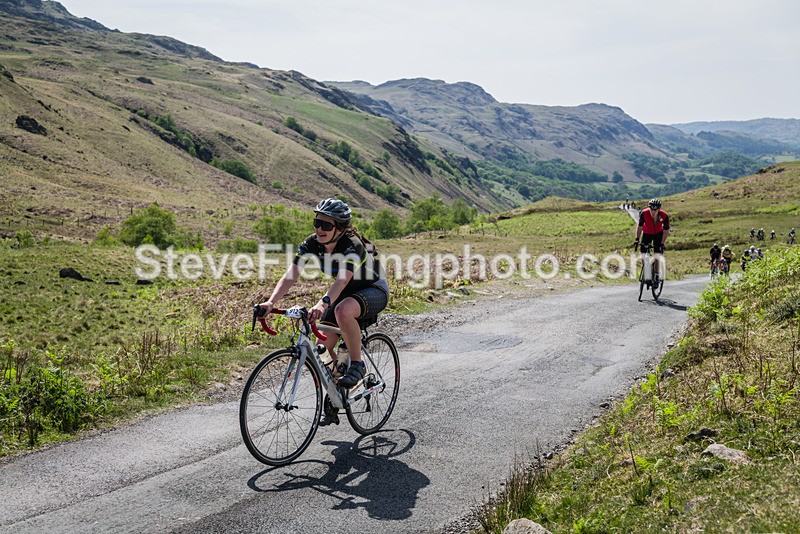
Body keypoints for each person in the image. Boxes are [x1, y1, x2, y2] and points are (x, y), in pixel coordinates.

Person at [257, 198, 390, 402]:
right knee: (321, 350)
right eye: (317, 223)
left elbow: (342, 279)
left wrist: (322, 304)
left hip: (373, 289)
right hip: (344, 295)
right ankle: (338, 392)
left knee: (343, 310)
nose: (319, 229)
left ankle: (357, 364)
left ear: (340, 228)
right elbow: (291, 276)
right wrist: (271, 302)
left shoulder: (352, 245)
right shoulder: (312, 243)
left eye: (326, 225)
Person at [634, 198, 670, 284]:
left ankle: (657, 275)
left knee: (657, 255)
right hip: (647, 233)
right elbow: (639, 227)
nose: (653, 211)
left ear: (658, 209)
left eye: (655, 209)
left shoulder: (664, 216)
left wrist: (662, 243)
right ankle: (646, 271)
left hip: (658, 234)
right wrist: (637, 239)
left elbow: (666, 230)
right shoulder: (644, 213)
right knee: (643, 252)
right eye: (651, 209)